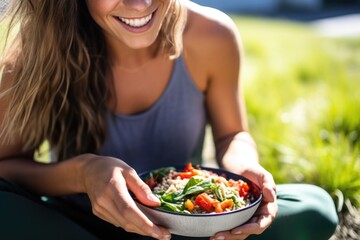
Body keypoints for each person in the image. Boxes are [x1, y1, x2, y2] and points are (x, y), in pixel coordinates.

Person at [0, 0, 338, 239]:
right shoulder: (36, 50)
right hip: (80, 223)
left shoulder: (211, 35)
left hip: (191, 227)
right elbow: (6, 167)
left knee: (315, 207)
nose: (140, 3)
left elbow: (232, 133)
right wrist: (84, 173)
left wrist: (243, 168)